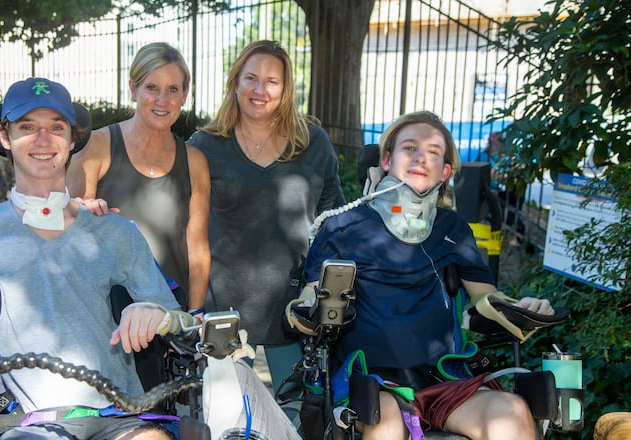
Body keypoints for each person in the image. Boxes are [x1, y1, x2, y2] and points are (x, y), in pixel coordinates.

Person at [0, 77, 190, 439]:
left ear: (72, 139)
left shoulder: (115, 231)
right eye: (27, 127)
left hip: (120, 415)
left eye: (56, 127)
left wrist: (156, 314)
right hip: (29, 422)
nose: (43, 140)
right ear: (5, 136)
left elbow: (182, 323)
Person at [302, 111, 555, 439]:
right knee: (385, 420)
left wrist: (521, 308)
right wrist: (302, 307)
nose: (421, 157)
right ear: (386, 160)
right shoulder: (342, 226)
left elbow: (485, 297)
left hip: (442, 380)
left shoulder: (453, 228)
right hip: (368, 380)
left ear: (445, 171)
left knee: (512, 412)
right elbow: (311, 296)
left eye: (433, 152)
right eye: (410, 148)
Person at [187, 40, 345, 393]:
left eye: (272, 81)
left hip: (293, 309)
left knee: (299, 411)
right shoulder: (205, 146)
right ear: (235, 82)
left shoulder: (313, 143)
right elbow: (186, 229)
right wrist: (193, 307)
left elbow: (332, 223)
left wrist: (317, 285)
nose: (260, 90)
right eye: (251, 78)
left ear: (286, 89)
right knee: (225, 411)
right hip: (223, 310)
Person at [68, 42, 210, 313]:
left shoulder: (194, 162)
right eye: (151, 87)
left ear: (185, 94)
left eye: (173, 89)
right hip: (108, 315)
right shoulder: (97, 147)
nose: (162, 100)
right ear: (133, 89)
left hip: (171, 315)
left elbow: (197, 249)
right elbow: (71, 235)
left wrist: (195, 316)